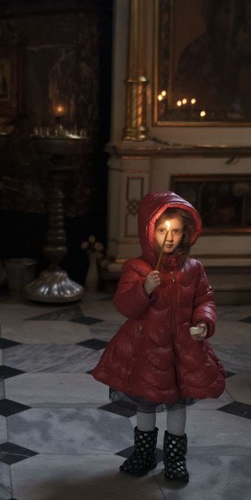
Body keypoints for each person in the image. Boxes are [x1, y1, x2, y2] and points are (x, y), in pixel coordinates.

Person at [92, 190, 225, 483]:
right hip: (147, 351)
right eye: (163, 230)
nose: (170, 237)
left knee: (177, 403)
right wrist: (144, 289)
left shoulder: (194, 268)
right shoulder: (138, 268)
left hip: (182, 349)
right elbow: (124, 305)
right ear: (149, 231)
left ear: (186, 233)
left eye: (176, 231)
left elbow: (206, 298)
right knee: (146, 401)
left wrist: (203, 322)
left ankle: (175, 458)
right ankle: (143, 453)